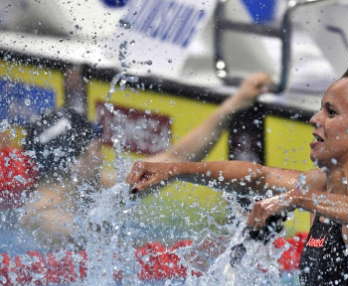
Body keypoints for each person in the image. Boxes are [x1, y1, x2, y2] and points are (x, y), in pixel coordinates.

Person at [125, 0, 348, 286]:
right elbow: (256, 175)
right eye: (319, 108)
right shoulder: (324, 185)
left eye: (331, 112)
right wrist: (173, 170)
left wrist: (304, 199)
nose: (314, 119)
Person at [15, 72, 272, 250]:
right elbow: (114, 249)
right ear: (74, 163)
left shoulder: (91, 188)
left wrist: (235, 102)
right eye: (95, 150)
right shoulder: (44, 217)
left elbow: (174, 159)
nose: (103, 155)